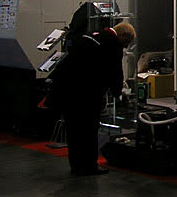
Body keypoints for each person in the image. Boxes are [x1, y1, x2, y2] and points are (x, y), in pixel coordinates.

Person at [58, 21, 136, 176]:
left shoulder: (90, 35)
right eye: (127, 42)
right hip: (87, 94)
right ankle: (89, 166)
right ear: (122, 35)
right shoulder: (112, 43)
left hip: (68, 91)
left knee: (74, 131)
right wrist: (118, 94)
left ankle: (76, 166)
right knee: (89, 131)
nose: (125, 47)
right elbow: (115, 72)